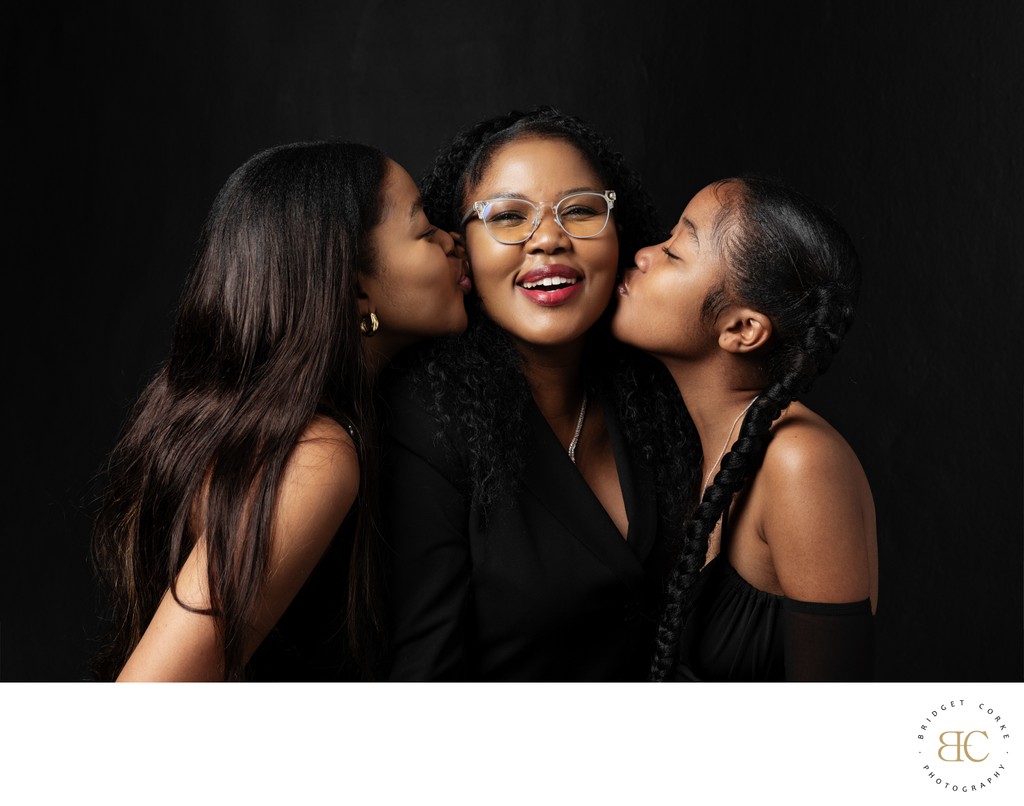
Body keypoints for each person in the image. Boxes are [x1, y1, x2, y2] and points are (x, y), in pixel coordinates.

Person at [90, 140, 471, 682]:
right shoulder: (315, 455)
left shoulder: (265, 427)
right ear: (356, 291)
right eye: (424, 229)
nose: (454, 241)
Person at [380, 106, 696, 681]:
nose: (548, 239)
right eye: (507, 217)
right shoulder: (428, 422)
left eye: (580, 211)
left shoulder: (659, 395)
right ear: (461, 249)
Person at [611, 175, 878, 681]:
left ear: (741, 329)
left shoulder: (799, 462)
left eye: (674, 252)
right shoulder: (692, 445)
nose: (644, 253)